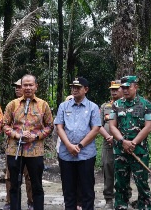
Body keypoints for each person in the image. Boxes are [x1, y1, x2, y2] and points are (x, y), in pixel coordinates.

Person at [3, 74, 54, 210]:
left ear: (36, 87)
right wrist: (17, 134)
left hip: (35, 151)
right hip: (15, 150)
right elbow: (4, 125)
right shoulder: (12, 104)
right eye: (25, 85)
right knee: (14, 185)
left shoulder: (43, 105)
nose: (27, 88)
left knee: (36, 185)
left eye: (30, 85)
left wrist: (36, 136)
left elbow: (50, 126)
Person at [108, 75, 151, 210]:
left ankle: (144, 206)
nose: (125, 90)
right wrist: (123, 141)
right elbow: (112, 126)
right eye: (123, 87)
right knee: (121, 183)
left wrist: (133, 143)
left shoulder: (145, 104)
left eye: (128, 87)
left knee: (142, 183)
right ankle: (121, 206)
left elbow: (148, 126)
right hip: (120, 151)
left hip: (139, 151)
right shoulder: (116, 105)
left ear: (136, 87)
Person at [55, 77, 101, 210]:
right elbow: (59, 127)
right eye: (73, 87)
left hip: (86, 154)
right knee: (68, 191)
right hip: (66, 154)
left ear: (86, 90)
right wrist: (69, 145)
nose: (74, 89)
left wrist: (80, 146)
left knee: (87, 190)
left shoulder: (93, 107)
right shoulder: (63, 106)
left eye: (78, 87)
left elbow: (96, 128)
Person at [98, 80, 122, 209]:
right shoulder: (105, 106)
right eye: (112, 89)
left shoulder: (126, 105)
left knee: (123, 171)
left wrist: (118, 138)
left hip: (123, 143)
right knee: (108, 170)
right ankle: (109, 199)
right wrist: (108, 136)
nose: (113, 91)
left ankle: (124, 197)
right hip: (108, 144)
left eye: (116, 89)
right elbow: (98, 124)